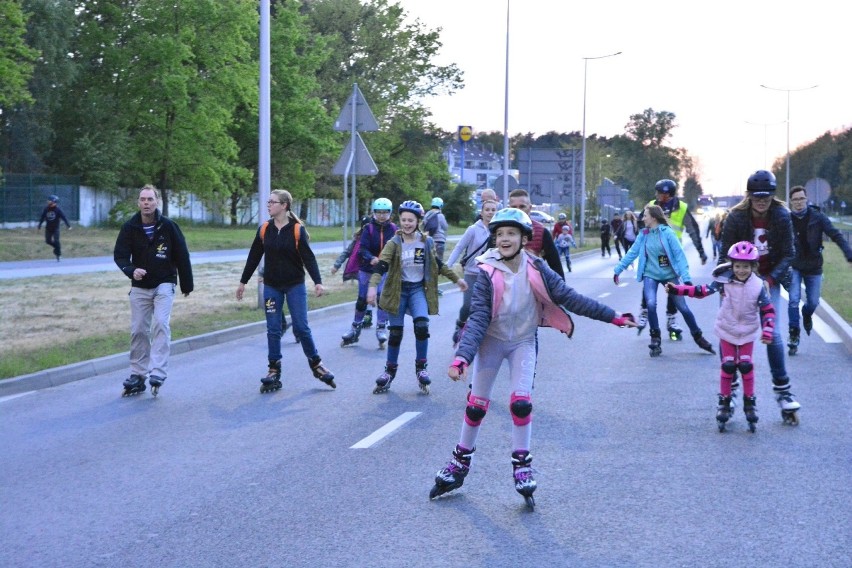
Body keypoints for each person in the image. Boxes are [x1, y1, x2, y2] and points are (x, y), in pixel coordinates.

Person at [429, 208, 636, 507]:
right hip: (491, 342)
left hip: (523, 341)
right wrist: (462, 357)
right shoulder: (486, 270)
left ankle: (522, 464)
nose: (504, 239)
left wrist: (614, 316)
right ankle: (460, 461)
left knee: (521, 403)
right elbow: (477, 319)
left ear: (524, 238)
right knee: (476, 406)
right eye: (499, 234)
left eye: (511, 233)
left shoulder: (537, 268)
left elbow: (570, 298)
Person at [666, 241, 776, 432]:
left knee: (746, 365)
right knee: (728, 365)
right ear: (731, 265)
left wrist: (768, 330)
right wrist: (678, 289)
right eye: (738, 266)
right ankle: (724, 402)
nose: (741, 270)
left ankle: (749, 402)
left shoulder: (758, 286)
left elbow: (768, 310)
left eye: (746, 266)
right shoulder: (724, 281)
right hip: (727, 329)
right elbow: (701, 292)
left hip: (748, 332)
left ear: (753, 267)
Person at [719, 169, 800, 424]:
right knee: (729, 331)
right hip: (736, 280)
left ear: (772, 196)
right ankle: (730, 389)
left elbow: (789, 253)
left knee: (773, 332)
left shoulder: (781, 216)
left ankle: (783, 391)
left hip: (767, 279)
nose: (761, 201)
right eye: (757, 197)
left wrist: (770, 279)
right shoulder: (736, 217)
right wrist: (727, 284)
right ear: (750, 196)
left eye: (766, 197)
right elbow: (724, 255)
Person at [236, 189, 336, 393]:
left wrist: (318, 281)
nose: (268, 205)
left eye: (272, 202)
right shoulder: (265, 229)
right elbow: (254, 256)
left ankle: (316, 364)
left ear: (284, 206)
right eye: (268, 202)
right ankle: (274, 369)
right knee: (273, 329)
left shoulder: (297, 230)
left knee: (301, 327)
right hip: (272, 286)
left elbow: (309, 258)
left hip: (294, 285)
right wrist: (243, 282)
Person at [367, 200, 468, 395]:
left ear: (418, 221)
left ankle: (421, 368)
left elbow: (438, 264)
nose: (406, 223)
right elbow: (381, 265)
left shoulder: (426, 242)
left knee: (422, 326)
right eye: (403, 220)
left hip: (416, 290)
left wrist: (457, 279)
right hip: (397, 290)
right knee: (395, 333)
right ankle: (389, 371)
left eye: (410, 220)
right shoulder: (394, 243)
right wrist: (372, 287)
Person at [113, 185, 193, 397]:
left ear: (157, 202)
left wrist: (187, 284)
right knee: (138, 329)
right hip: (140, 286)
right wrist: (131, 270)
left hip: (164, 282)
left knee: (160, 323)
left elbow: (182, 255)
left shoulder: (168, 226)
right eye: (143, 199)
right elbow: (120, 256)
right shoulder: (129, 227)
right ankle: (138, 374)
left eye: (150, 199)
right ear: (138, 203)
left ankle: (157, 372)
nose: (146, 203)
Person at [613, 204, 716, 357]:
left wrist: (686, 279)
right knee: (650, 304)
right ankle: (655, 338)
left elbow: (679, 256)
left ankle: (698, 337)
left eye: (645, 215)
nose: (643, 218)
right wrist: (618, 270)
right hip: (651, 274)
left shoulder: (668, 233)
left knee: (683, 307)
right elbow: (632, 252)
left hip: (669, 275)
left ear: (653, 217)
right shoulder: (644, 234)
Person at [636, 179, 708, 340]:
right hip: (654, 251)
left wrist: (701, 252)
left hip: (672, 255)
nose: (659, 196)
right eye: (658, 193)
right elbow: (640, 223)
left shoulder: (681, 208)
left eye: (662, 194)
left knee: (673, 286)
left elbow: (692, 230)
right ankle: (645, 310)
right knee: (650, 278)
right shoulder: (651, 205)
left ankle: (671, 318)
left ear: (669, 195)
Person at [786, 184, 852, 355]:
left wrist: (848, 253)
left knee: (813, 302)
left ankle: (807, 314)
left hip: (814, 266)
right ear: (791, 202)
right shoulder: (786, 220)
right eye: (795, 200)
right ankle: (794, 333)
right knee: (793, 299)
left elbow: (836, 235)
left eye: (801, 198)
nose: (799, 202)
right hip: (795, 265)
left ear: (806, 199)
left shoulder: (818, 217)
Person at [339, 198, 398, 349]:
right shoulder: (369, 229)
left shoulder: (394, 229)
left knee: (381, 297)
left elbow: (397, 248)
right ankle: (355, 328)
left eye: (385, 213)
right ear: (374, 213)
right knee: (362, 300)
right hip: (367, 268)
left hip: (384, 270)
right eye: (379, 213)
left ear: (390, 213)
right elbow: (362, 248)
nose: (382, 216)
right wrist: (370, 258)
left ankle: (381, 327)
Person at [446, 198, 499, 345]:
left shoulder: (499, 231)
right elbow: (459, 247)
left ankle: (483, 335)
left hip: (490, 275)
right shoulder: (473, 230)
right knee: (468, 305)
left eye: (493, 210)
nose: (490, 212)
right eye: (487, 210)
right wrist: (447, 265)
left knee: (489, 307)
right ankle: (461, 324)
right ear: (481, 213)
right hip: (472, 273)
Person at [507, 188, 564, 278]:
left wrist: (561, 291)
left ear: (529, 208)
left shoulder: (542, 232)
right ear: (509, 208)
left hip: (534, 287)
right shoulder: (499, 232)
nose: (518, 210)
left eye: (522, 206)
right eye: (514, 207)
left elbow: (556, 267)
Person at [37, 195, 71, 261]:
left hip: (56, 228)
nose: (48, 201)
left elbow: (64, 218)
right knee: (48, 241)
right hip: (48, 228)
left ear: (54, 201)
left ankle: (58, 255)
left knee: (56, 240)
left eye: (49, 200)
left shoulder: (58, 210)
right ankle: (57, 248)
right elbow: (42, 217)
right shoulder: (46, 209)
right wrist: (39, 225)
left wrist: (68, 226)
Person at [423, 197, 449, 262]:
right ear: (441, 206)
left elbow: (424, 226)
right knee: (439, 261)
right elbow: (445, 227)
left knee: (430, 261)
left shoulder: (427, 215)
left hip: (429, 241)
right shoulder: (440, 215)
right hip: (440, 241)